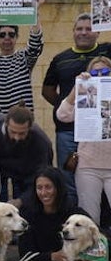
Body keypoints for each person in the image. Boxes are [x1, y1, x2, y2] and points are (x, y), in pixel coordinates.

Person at [0, 167, 99, 261]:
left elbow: (101, 236)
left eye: (48, 187)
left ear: (58, 188)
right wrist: (53, 256)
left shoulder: (74, 213)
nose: (43, 193)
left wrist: (96, 257)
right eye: (39, 188)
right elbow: (27, 259)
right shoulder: (29, 216)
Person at [42, 12, 111, 193]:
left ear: (97, 32)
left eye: (89, 29)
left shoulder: (107, 51)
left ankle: (102, 221)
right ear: (73, 32)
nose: (84, 32)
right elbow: (47, 90)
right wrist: (68, 105)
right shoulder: (60, 59)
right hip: (68, 131)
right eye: (79, 29)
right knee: (68, 181)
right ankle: (72, 219)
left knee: (101, 181)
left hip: (100, 133)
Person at [54, 56, 111, 224]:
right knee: (89, 216)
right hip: (88, 165)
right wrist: (77, 87)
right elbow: (62, 115)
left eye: (105, 71)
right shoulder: (85, 93)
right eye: (95, 72)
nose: (100, 74)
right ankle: (91, 250)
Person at [0, 0, 45, 119]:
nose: (7, 38)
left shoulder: (24, 58)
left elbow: (35, 45)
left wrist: (35, 12)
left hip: (22, 122)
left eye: (11, 34)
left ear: (17, 37)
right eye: (2, 34)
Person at [0, 105, 54, 205]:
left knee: (27, 209)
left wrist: (22, 201)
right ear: (6, 124)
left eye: (22, 133)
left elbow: (42, 177)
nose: (16, 137)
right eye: (13, 132)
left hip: (26, 171)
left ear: (30, 128)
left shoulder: (41, 142)